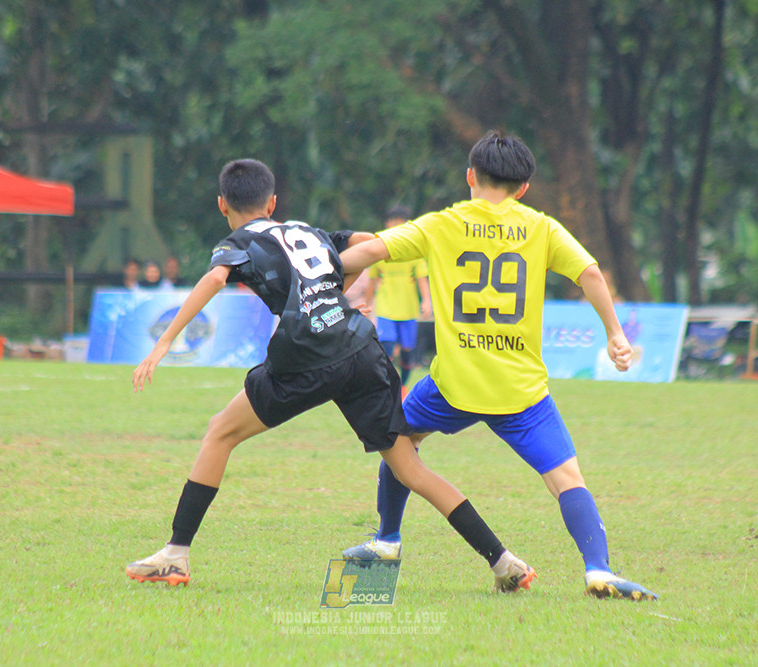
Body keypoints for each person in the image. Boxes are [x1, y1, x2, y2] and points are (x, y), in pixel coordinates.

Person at [125, 158, 534, 593]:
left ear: (222, 204)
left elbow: (215, 278)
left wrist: (165, 341)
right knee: (410, 468)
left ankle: (175, 555)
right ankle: (504, 562)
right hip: (360, 347)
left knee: (220, 433)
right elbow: (372, 241)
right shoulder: (306, 231)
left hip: (305, 354)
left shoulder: (237, 240)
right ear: (274, 202)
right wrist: (333, 293)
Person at [338, 130, 657, 601]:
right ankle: (598, 570)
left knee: (395, 439)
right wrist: (614, 332)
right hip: (521, 391)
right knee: (567, 480)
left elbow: (369, 252)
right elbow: (589, 272)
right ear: (523, 188)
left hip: (455, 384)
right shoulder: (541, 227)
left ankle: (387, 540)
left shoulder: (441, 224)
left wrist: (315, 287)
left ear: (470, 176)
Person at [365, 206, 432, 393]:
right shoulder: (379, 248)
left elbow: (421, 280)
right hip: (386, 307)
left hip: (408, 308)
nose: (397, 227)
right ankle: (388, 387)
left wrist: (426, 301)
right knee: (387, 345)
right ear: (387, 224)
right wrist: (367, 304)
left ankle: (403, 387)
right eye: (394, 223)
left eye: (401, 223)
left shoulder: (414, 250)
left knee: (408, 351)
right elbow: (372, 280)